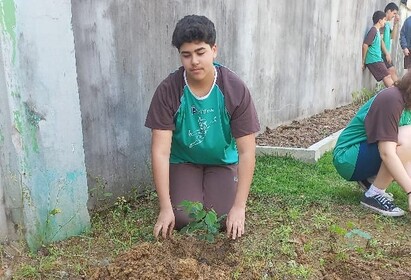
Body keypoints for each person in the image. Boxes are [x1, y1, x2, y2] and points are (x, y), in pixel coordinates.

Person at [145, 15, 260, 240]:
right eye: (186, 55)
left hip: (222, 161)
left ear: (214, 50)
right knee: (184, 218)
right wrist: (165, 208)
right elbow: (160, 151)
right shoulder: (168, 90)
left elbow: (247, 151)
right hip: (184, 161)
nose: (194, 61)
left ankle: (224, 193)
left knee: (220, 217)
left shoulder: (234, 89)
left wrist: (240, 207)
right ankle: (181, 200)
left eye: (200, 52)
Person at [333, 72, 411, 217]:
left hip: (362, 156)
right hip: (349, 156)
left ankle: (370, 181)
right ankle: (373, 195)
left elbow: (406, 154)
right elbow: (387, 153)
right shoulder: (392, 99)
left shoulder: (407, 106)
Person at [362, 11, 394, 87]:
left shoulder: (377, 31)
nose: (385, 22)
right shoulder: (373, 30)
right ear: (380, 21)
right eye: (384, 19)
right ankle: (394, 93)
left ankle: (393, 92)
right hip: (374, 60)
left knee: (388, 76)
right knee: (387, 76)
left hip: (377, 59)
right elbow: (365, 45)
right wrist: (363, 61)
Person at [381, 3, 400, 82]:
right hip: (383, 53)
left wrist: (395, 24)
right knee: (391, 72)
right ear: (389, 11)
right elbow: (380, 39)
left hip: (386, 53)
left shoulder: (388, 24)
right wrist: (386, 53)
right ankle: (399, 91)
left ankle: (399, 90)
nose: (394, 16)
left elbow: (393, 36)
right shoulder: (382, 22)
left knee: (392, 72)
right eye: (394, 13)